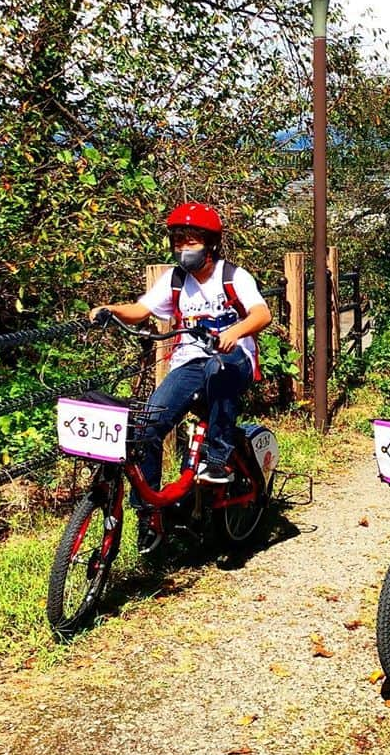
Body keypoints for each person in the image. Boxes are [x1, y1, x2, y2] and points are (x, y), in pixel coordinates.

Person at [90, 202, 271, 552]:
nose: (184, 248)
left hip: (232, 362)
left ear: (211, 244)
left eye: (192, 240)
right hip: (188, 364)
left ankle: (217, 460)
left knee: (219, 370)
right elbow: (140, 311)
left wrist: (236, 332)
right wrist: (111, 310)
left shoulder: (233, 276)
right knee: (147, 426)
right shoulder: (174, 280)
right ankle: (150, 516)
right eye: (178, 240)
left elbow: (261, 313)